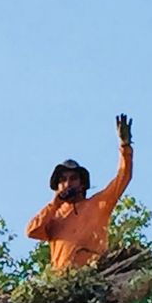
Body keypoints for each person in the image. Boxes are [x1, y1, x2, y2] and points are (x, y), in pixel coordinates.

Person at [26, 114, 135, 271]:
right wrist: (54, 203)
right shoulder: (53, 217)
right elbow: (31, 231)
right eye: (62, 180)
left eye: (73, 178)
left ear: (82, 183)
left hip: (92, 276)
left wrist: (125, 146)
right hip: (63, 283)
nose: (68, 183)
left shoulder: (98, 204)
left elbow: (123, 177)